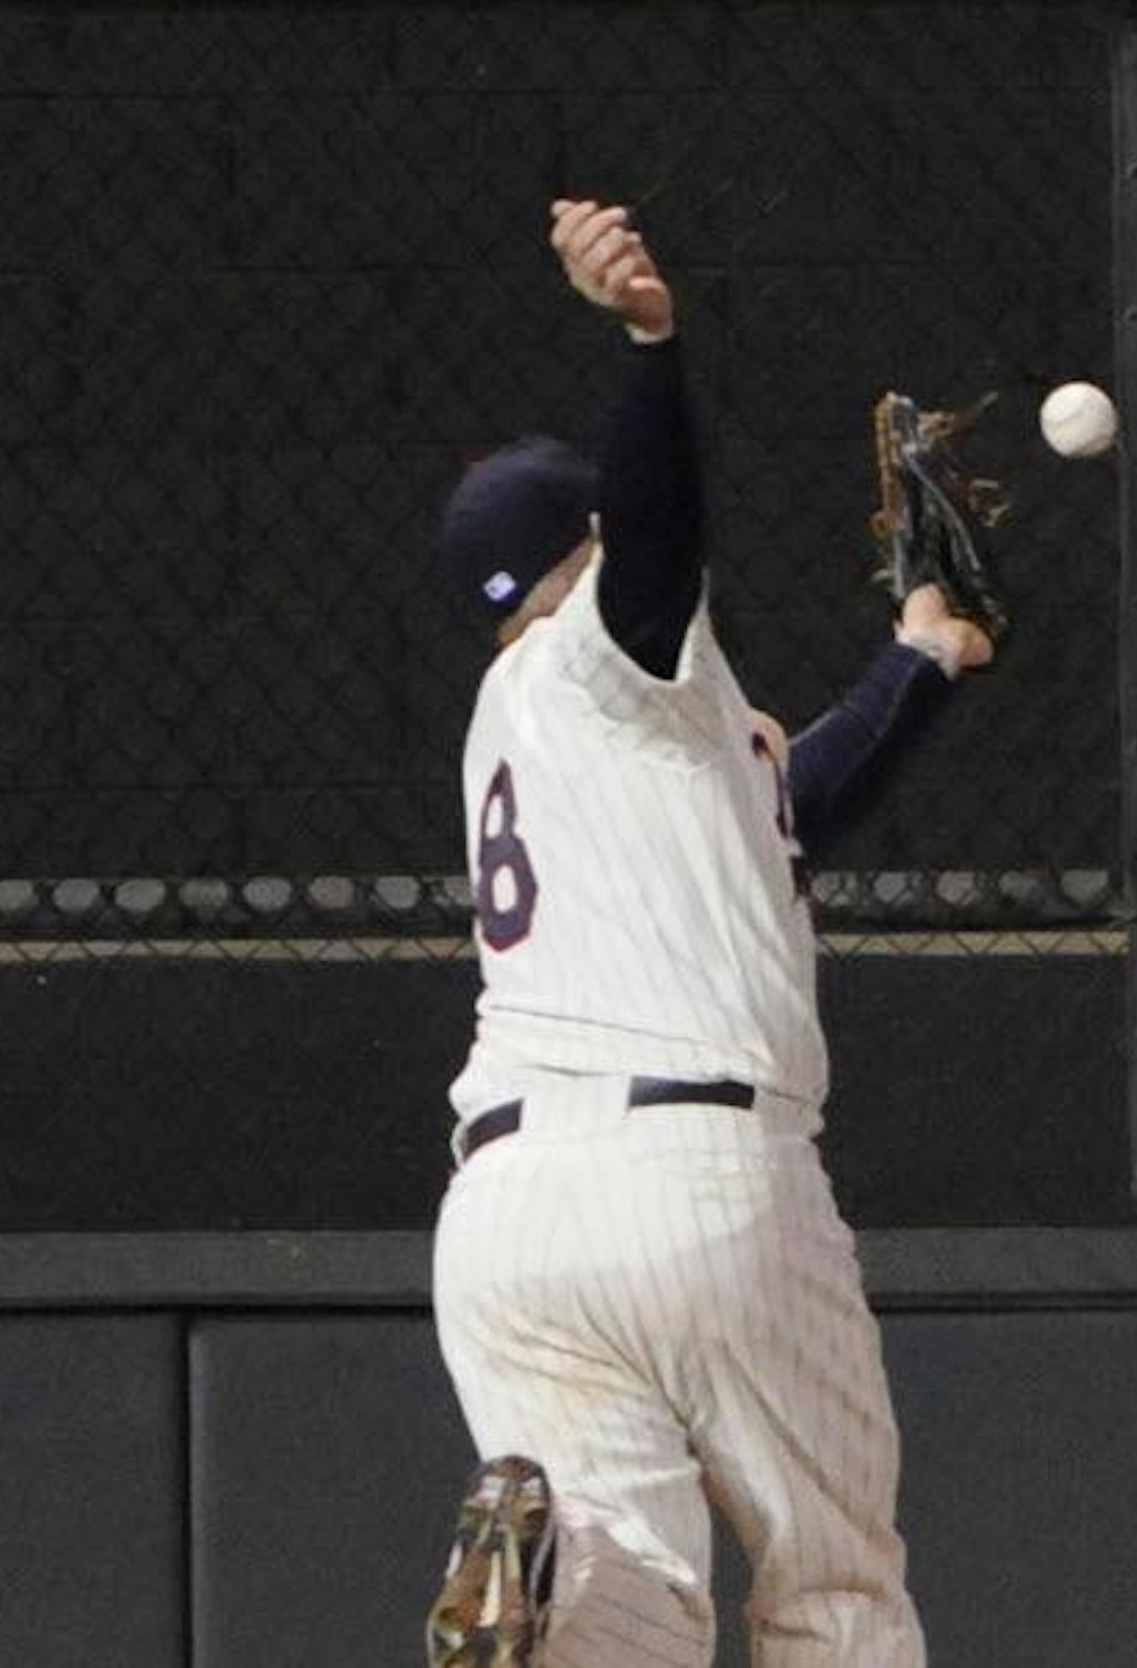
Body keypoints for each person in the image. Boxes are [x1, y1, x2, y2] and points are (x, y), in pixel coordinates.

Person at [425, 199, 993, 1668]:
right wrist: (647, 346)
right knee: (833, 1590)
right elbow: (662, 540)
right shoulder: (610, 652)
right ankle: (567, 1590)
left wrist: (922, 660)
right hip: (696, 1175)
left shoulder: (532, 729)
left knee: (644, 1606)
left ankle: (555, 1594)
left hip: (502, 1217)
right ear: (589, 543)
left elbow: (780, 811)